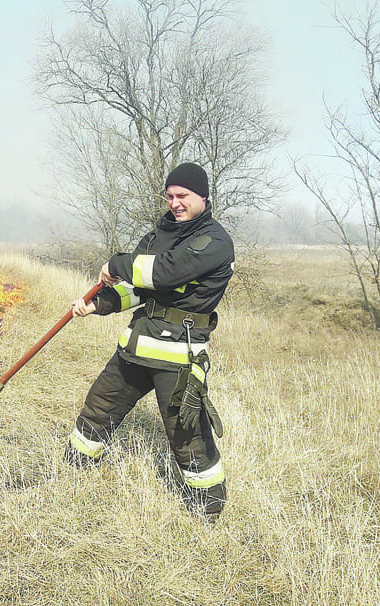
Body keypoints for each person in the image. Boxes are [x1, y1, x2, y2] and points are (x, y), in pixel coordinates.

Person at [64, 162, 234, 522]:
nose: (174, 203)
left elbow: (164, 272)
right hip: (137, 345)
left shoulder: (215, 242)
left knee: (187, 435)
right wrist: (99, 304)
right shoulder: (160, 233)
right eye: (170, 196)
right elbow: (138, 289)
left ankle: (207, 510)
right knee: (99, 406)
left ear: (202, 196)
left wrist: (117, 262)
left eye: (182, 196)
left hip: (178, 355)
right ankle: (74, 470)